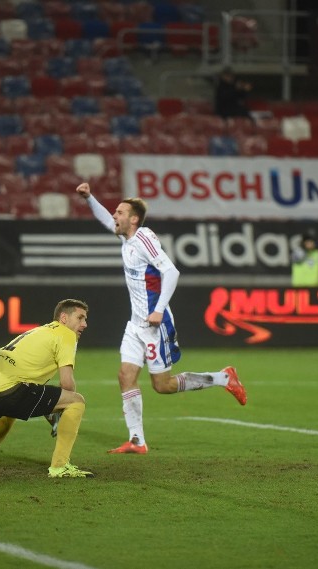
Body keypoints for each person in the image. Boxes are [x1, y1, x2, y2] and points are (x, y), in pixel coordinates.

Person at [75, 182, 247, 454]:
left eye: (120, 212)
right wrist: (89, 198)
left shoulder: (143, 238)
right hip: (135, 325)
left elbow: (172, 272)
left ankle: (223, 378)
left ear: (133, 219)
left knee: (163, 386)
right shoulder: (126, 237)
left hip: (156, 325)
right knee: (125, 375)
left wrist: (158, 310)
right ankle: (137, 441)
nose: (114, 216)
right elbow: (105, 219)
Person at [0, 298, 94, 478]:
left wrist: (51, 407)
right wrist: (59, 411)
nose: (85, 324)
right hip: (8, 392)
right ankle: (60, 466)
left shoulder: (39, 331)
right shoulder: (66, 335)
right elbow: (67, 384)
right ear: (64, 318)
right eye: (80, 318)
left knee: (11, 408)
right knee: (76, 401)